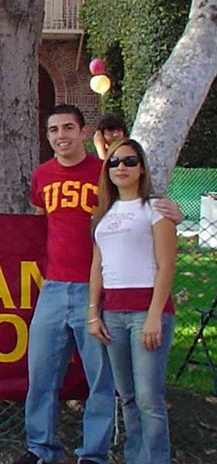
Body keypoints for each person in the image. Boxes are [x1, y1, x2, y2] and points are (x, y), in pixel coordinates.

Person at [14, 105, 181, 464]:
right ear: (47, 136)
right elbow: (43, 225)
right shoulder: (42, 176)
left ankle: (93, 452)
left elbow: (139, 206)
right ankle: (39, 448)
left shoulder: (103, 173)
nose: (61, 136)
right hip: (55, 287)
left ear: (82, 131)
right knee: (41, 373)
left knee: (101, 380)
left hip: (102, 292)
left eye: (68, 128)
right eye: (54, 130)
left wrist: (174, 211)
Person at [88, 139, 177, 464]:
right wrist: (93, 312)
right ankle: (134, 456)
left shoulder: (157, 209)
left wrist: (155, 315)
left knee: (148, 398)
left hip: (147, 312)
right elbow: (97, 266)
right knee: (126, 397)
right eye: (114, 162)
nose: (121, 167)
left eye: (129, 161)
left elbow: (167, 264)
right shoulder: (104, 214)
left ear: (141, 168)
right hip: (112, 314)